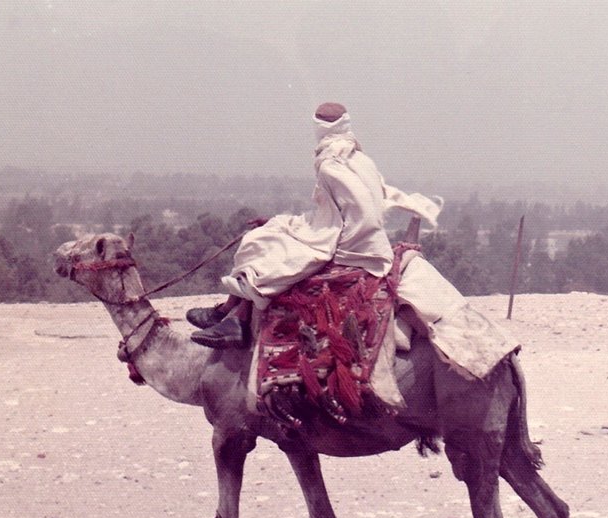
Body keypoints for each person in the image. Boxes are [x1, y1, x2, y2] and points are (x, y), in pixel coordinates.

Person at [188, 102, 516, 381]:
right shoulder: (360, 158)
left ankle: (235, 319)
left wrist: (305, 232)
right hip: (364, 239)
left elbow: (350, 215)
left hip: (351, 246)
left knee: (264, 247)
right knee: (272, 235)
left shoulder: (331, 164)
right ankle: (227, 313)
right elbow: (350, 207)